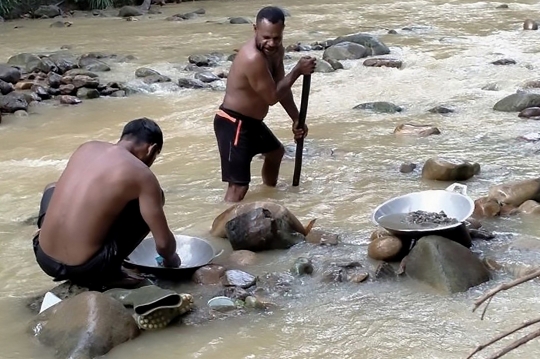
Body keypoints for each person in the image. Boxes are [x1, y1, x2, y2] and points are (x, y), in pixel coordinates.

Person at [32, 118, 181, 290]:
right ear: (152, 149)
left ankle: (44, 232)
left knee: (52, 187)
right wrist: (171, 260)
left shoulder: (86, 148)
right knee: (152, 201)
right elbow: (163, 245)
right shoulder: (142, 175)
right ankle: (110, 275)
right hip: (84, 268)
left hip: (43, 258)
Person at [213, 6, 317, 202]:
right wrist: (297, 71)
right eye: (266, 37)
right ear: (255, 30)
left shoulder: (276, 52)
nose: (271, 43)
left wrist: (296, 118)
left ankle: (269, 199)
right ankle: (220, 229)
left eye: (276, 38)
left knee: (275, 153)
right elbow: (272, 97)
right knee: (238, 187)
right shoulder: (252, 58)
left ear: (283, 31)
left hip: (251, 122)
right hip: (234, 123)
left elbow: (281, 88)